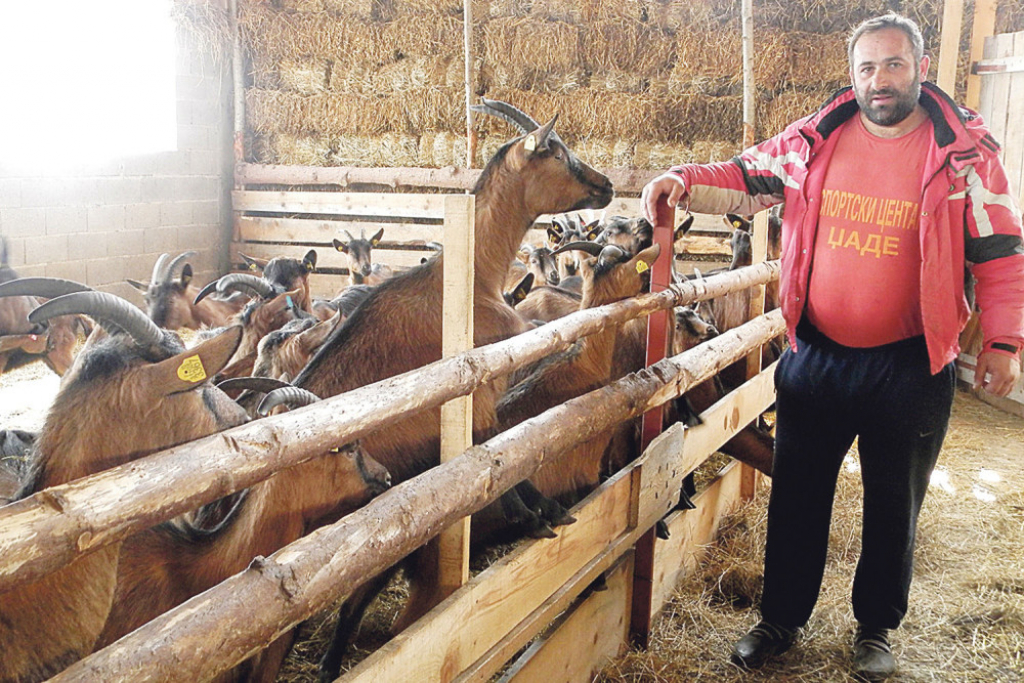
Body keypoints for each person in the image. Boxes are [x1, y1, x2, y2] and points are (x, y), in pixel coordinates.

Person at [641, 12, 1024, 682]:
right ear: (853, 74)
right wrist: (680, 180)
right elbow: (747, 174)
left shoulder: (965, 151)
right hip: (817, 354)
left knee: (893, 499)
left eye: (894, 64)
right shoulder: (814, 139)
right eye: (867, 67)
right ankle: (780, 618)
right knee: (798, 491)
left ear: (921, 68)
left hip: (910, 360)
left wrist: (1003, 339)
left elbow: (999, 251)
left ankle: (875, 629)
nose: (880, 80)